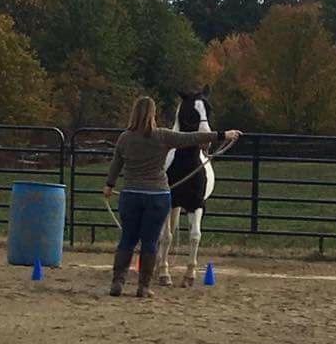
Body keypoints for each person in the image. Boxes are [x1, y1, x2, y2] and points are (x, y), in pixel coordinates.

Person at [103, 96, 241, 297]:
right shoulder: (162, 136)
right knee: (150, 241)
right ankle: (144, 286)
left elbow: (116, 163)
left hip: (131, 194)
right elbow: (192, 138)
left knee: (127, 239)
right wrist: (223, 135)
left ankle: (118, 282)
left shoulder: (125, 138)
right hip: (157, 195)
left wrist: (109, 185)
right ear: (153, 115)